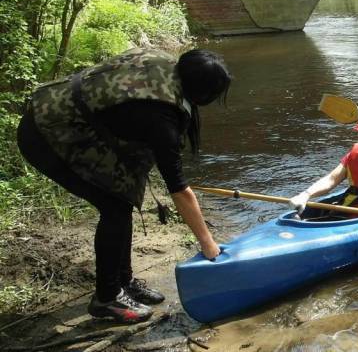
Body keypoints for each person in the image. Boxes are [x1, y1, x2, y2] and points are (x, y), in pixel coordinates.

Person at [17, 48, 231, 324]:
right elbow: (178, 189)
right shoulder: (161, 118)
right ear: (201, 92)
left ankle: (123, 283)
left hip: (70, 119)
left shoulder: (165, 65)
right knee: (115, 207)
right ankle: (107, 299)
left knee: (120, 201)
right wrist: (208, 243)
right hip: (47, 132)